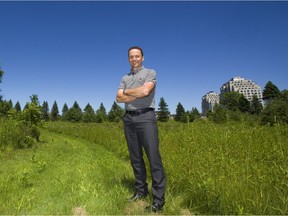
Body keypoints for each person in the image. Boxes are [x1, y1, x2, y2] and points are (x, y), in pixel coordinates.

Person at [116, 46, 166, 213]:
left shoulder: (150, 73)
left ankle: (158, 199)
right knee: (135, 158)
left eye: (137, 56)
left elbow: (146, 91)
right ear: (128, 59)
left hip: (146, 118)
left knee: (153, 158)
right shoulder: (124, 77)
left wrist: (127, 93)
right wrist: (132, 93)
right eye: (131, 56)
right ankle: (141, 191)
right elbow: (118, 98)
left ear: (142, 58)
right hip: (129, 118)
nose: (134, 59)